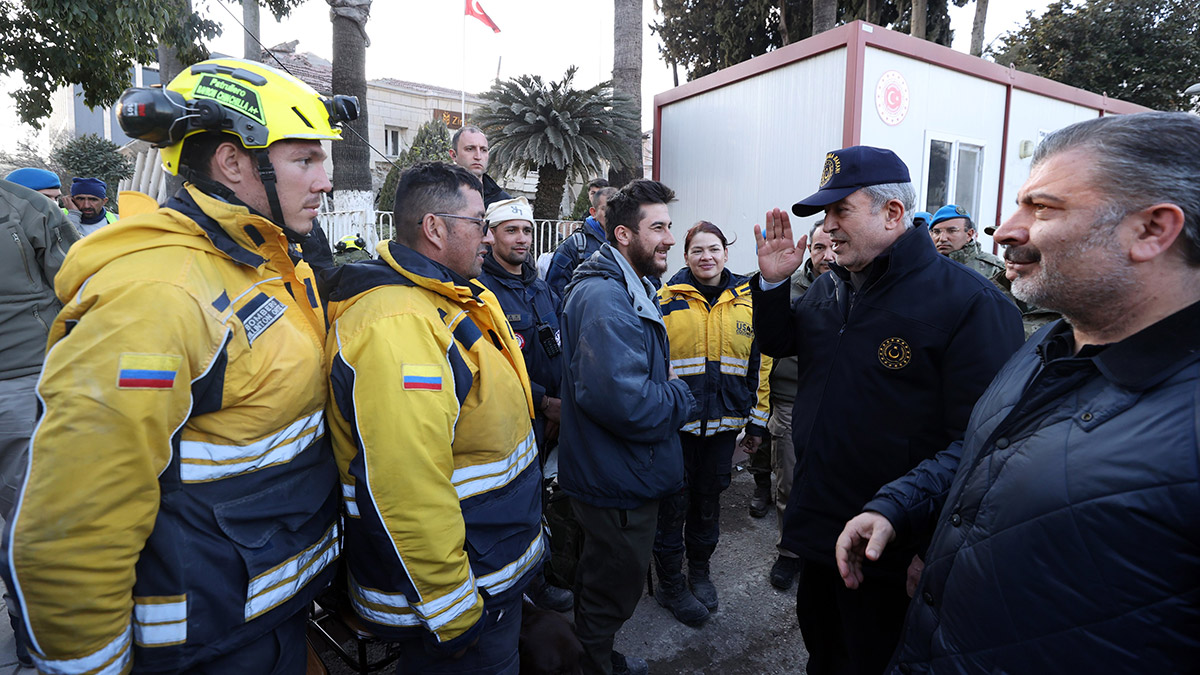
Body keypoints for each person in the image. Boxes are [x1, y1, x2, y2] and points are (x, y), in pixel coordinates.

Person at [1, 57, 354, 673]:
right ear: (233, 162)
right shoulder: (158, 295)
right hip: (200, 641)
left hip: (261, 613)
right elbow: (74, 522)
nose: (325, 179)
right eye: (305, 160)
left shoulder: (266, 259)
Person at [836, 111, 1200, 674]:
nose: (1004, 230)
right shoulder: (1049, 345)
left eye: (1043, 208)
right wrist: (901, 508)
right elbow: (985, 451)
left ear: (1153, 230)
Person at [752, 145, 1023, 675]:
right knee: (824, 652)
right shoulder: (833, 287)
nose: (827, 229)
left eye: (839, 212)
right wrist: (773, 283)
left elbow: (980, 445)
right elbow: (781, 340)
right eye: (824, 216)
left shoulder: (970, 304)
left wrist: (928, 543)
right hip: (821, 529)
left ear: (893, 214)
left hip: (893, 547)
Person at [324, 162, 544, 673]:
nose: (487, 237)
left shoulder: (453, 294)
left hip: (488, 561)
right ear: (435, 229)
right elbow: (406, 487)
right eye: (478, 222)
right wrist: (454, 613)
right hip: (460, 599)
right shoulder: (398, 325)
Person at [558, 179, 697, 675]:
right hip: (616, 482)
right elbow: (628, 403)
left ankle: (595, 656)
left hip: (624, 474)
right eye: (657, 227)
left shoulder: (629, 286)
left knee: (607, 583)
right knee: (609, 590)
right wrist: (681, 393)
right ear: (622, 235)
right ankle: (592, 664)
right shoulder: (605, 299)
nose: (668, 239)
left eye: (669, 226)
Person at [652, 221, 770, 627]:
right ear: (685, 256)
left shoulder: (749, 299)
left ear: (725, 253)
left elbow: (760, 364)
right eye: (697, 250)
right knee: (672, 505)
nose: (706, 257)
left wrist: (756, 423)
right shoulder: (662, 299)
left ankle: (698, 572)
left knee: (707, 504)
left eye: (714, 249)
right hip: (675, 430)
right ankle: (670, 582)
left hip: (723, 430)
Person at [475, 195, 573, 613]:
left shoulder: (538, 286)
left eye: (527, 230)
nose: (522, 238)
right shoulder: (482, 290)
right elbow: (492, 361)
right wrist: (543, 402)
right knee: (518, 502)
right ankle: (528, 588)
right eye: (511, 230)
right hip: (517, 420)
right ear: (491, 235)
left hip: (552, 416)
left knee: (542, 498)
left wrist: (560, 402)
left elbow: (559, 348)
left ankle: (542, 572)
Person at [0, 178, 80, 667]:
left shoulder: (24, 206)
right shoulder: (23, 206)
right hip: (24, 383)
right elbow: (81, 282)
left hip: (23, 384)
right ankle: (38, 638)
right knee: (35, 518)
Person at [752, 221, 835, 592]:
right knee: (789, 482)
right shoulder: (790, 287)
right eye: (818, 248)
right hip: (790, 400)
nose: (826, 256)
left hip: (835, 403)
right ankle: (789, 552)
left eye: (832, 247)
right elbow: (769, 340)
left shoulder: (854, 291)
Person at [547, 186, 617, 301]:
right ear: (593, 212)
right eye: (606, 209)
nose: (613, 214)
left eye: (617, 209)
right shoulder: (575, 245)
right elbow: (555, 292)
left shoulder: (630, 244)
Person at [928, 204, 1004, 279]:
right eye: (937, 232)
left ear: (969, 234)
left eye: (952, 231)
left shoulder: (992, 269)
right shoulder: (922, 264)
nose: (942, 238)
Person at [449, 125, 511, 206]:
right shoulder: (436, 195)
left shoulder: (504, 203)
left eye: (483, 150)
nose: (478, 156)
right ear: (453, 155)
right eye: (470, 149)